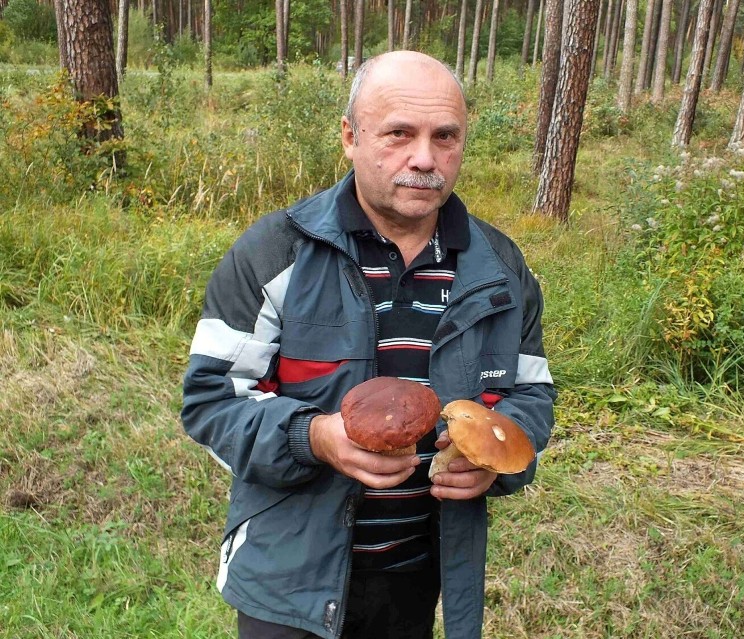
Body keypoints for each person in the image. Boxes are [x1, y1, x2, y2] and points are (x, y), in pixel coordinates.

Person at [181, 51, 555, 639]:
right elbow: (210, 403)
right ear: (351, 138)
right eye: (399, 134)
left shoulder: (500, 269)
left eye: (446, 136)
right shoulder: (275, 254)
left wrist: (495, 465)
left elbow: (530, 395)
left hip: (419, 570)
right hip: (288, 576)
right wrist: (314, 437)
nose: (425, 158)